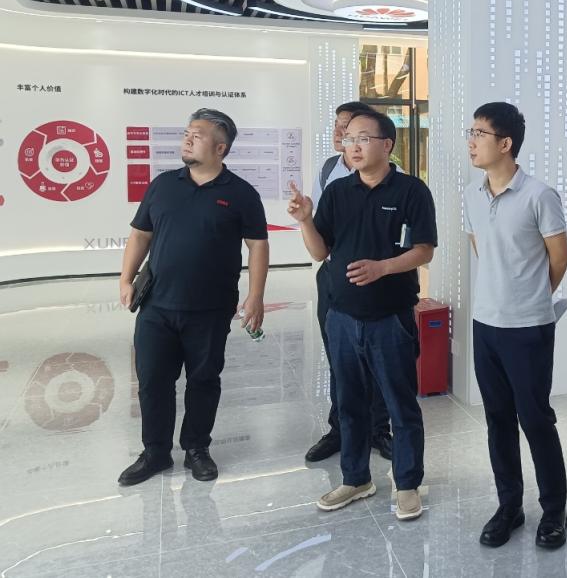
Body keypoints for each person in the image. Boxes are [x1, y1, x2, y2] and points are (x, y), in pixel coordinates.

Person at [287, 109, 436, 521]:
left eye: (363, 138)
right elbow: (320, 251)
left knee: (399, 405)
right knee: (349, 403)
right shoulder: (338, 192)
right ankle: (355, 479)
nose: (353, 145)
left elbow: (424, 250)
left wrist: (383, 268)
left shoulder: (411, 191)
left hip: (390, 317)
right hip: (342, 317)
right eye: (349, 138)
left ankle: (407, 484)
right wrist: (305, 221)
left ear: (387, 145)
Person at [118, 108, 269, 485]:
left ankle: (197, 449)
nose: (187, 139)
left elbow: (257, 245)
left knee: (203, 379)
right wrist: (125, 278)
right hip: (156, 306)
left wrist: (256, 296)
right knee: (153, 381)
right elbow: (140, 234)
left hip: (210, 309)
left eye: (197, 135)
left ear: (220, 148)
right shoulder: (163, 185)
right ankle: (155, 452)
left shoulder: (241, 194)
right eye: (187, 133)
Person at [463, 102, 567, 550]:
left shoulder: (539, 195)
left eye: (480, 134)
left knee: (535, 419)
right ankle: (509, 506)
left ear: (505, 143)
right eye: (470, 133)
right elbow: (482, 249)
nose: (471, 141)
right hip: (485, 324)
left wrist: (530, 297)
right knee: (498, 420)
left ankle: (554, 510)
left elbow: (560, 257)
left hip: (528, 327)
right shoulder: (472, 194)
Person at [306, 100, 393, 464]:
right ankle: (340, 429)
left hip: (376, 279)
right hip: (333, 277)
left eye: (351, 128)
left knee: (377, 359)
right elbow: (318, 229)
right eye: (339, 127)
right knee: (338, 355)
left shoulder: (393, 178)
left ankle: (378, 429)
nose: (342, 133)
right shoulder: (329, 169)